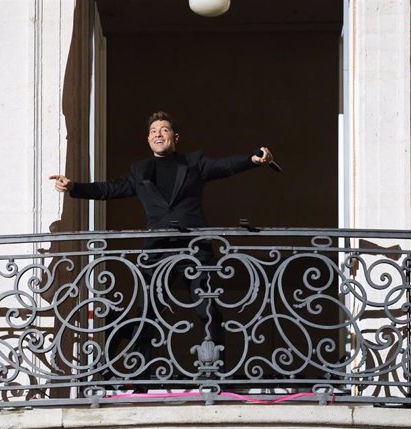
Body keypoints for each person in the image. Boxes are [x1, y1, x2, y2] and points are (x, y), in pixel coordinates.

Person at [49, 110, 274, 381]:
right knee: (147, 311)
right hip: (157, 249)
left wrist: (252, 159)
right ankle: (141, 376)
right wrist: (74, 186)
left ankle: (217, 372)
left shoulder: (193, 163)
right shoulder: (140, 170)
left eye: (164, 129)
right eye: (154, 130)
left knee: (206, 307)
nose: (158, 133)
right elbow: (111, 189)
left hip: (194, 246)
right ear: (148, 139)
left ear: (175, 137)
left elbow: (223, 166)